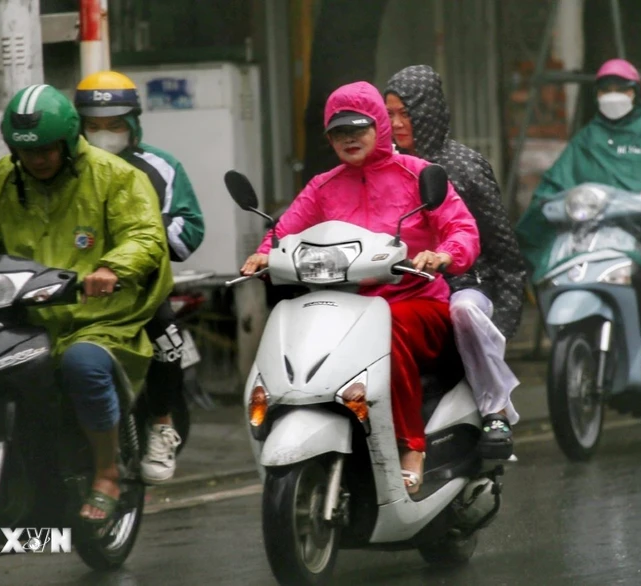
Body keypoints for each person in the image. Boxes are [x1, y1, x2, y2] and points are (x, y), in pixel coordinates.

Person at [0, 84, 173, 523]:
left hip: (96, 317)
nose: (37, 160)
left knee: (82, 365)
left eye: (47, 150)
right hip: (18, 314)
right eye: (26, 150)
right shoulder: (3, 180)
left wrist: (111, 268)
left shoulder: (117, 176)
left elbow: (145, 237)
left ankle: (106, 472)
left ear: (68, 141)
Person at [240, 81, 480, 494]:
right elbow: (284, 231)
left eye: (358, 127)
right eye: (338, 132)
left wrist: (443, 254)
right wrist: (264, 254)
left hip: (415, 303)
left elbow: (461, 227)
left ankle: (410, 446)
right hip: (341, 307)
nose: (349, 138)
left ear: (381, 127)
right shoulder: (323, 186)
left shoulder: (417, 174)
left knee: (387, 328)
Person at [523, 58, 641, 381]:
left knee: (638, 275)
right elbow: (556, 182)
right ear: (597, 93)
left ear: (635, 93)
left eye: (621, 88)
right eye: (606, 88)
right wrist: (547, 204)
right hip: (593, 233)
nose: (613, 95)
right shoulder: (586, 140)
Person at [385, 65, 525, 458]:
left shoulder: (464, 166)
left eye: (406, 114)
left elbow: (503, 252)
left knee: (464, 310)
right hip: (398, 288)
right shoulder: (379, 168)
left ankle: (494, 411)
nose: (396, 124)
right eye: (389, 114)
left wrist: (500, 327)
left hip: (463, 287)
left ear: (428, 111)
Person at [74, 70, 205, 484]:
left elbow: (190, 229)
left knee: (167, 337)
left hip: (141, 288)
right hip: (73, 287)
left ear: (132, 123)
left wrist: (141, 235)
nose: (104, 134)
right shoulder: (65, 168)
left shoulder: (160, 168)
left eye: (114, 125)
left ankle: (162, 424)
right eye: (93, 126)